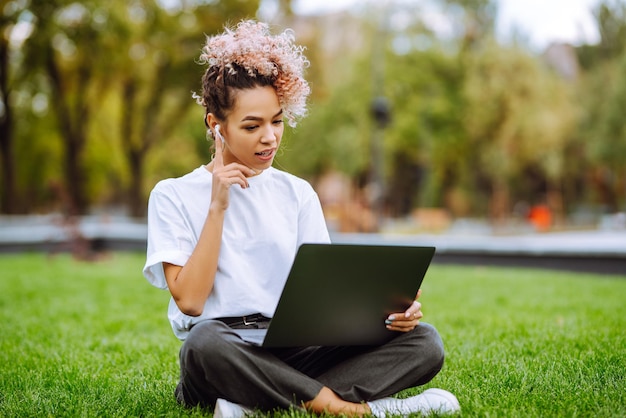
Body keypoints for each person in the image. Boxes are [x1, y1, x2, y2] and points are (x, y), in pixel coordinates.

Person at [143, 20, 460, 417]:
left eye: (276, 121)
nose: (270, 137)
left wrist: (390, 313)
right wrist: (217, 206)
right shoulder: (171, 195)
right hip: (225, 350)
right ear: (215, 125)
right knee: (204, 344)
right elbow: (190, 302)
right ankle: (351, 408)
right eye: (251, 126)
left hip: (292, 350)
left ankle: (255, 404)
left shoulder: (296, 193)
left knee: (425, 343)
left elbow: (320, 299)